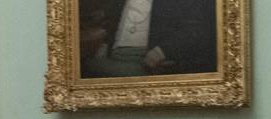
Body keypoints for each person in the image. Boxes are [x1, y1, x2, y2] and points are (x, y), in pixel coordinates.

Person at [79, 0, 217, 78]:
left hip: (147, 63)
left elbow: (198, 31)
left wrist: (164, 51)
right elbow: (107, 21)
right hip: (112, 56)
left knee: (88, 67)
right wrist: (102, 39)